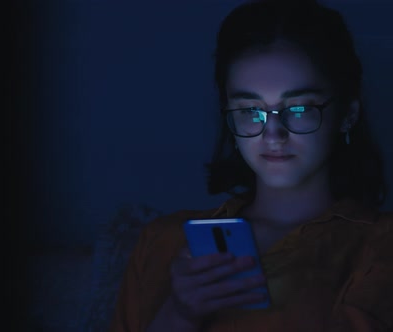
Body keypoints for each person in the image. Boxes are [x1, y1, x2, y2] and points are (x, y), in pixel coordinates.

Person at [108, 0, 393, 331]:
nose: (274, 133)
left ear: (347, 115)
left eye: (299, 108)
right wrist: (179, 314)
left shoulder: (378, 245)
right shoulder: (163, 242)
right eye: (249, 110)